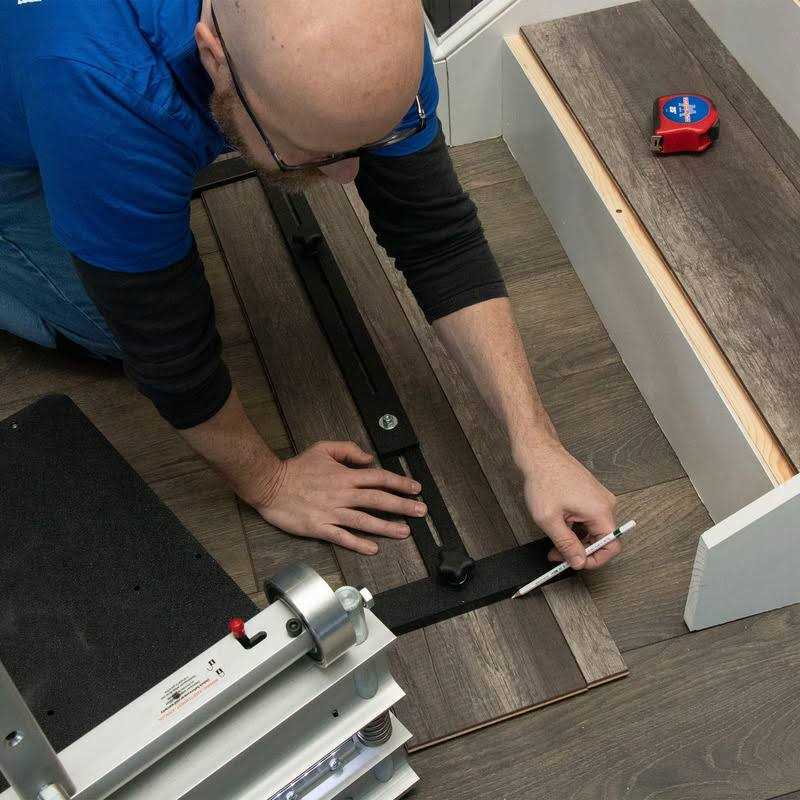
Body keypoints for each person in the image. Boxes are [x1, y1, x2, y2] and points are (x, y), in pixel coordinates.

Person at [0, 0, 619, 569]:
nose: (350, 178)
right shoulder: (97, 89)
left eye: (374, 140)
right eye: (317, 155)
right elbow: (167, 351)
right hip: (45, 115)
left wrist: (536, 442)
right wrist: (269, 484)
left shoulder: (372, 27)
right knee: (110, 330)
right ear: (214, 55)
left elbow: (436, 236)